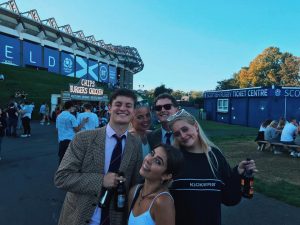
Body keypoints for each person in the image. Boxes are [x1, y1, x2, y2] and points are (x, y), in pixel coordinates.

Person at [54, 88, 143, 225]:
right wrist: (101, 180)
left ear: (133, 111)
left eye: (128, 105)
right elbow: (62, 178)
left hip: (115, 219)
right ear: (109, 108)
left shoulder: (136, 144)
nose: (123, 109)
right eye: (118, 104)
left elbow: (135, 184)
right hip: (79, 217)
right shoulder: (83, 139)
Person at [167, 109, 257, 225]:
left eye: (185, 129)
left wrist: (239, 173)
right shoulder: (174, 159)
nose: (183, 136)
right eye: (177, 134)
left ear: (195, 126)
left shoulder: (215, 156)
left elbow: (230, 198)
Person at [128, 144, 184, 225]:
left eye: (158, 162)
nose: (148, 160)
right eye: (152, 153)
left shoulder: (162, 202)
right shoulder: (134, 192)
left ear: (166, 176)